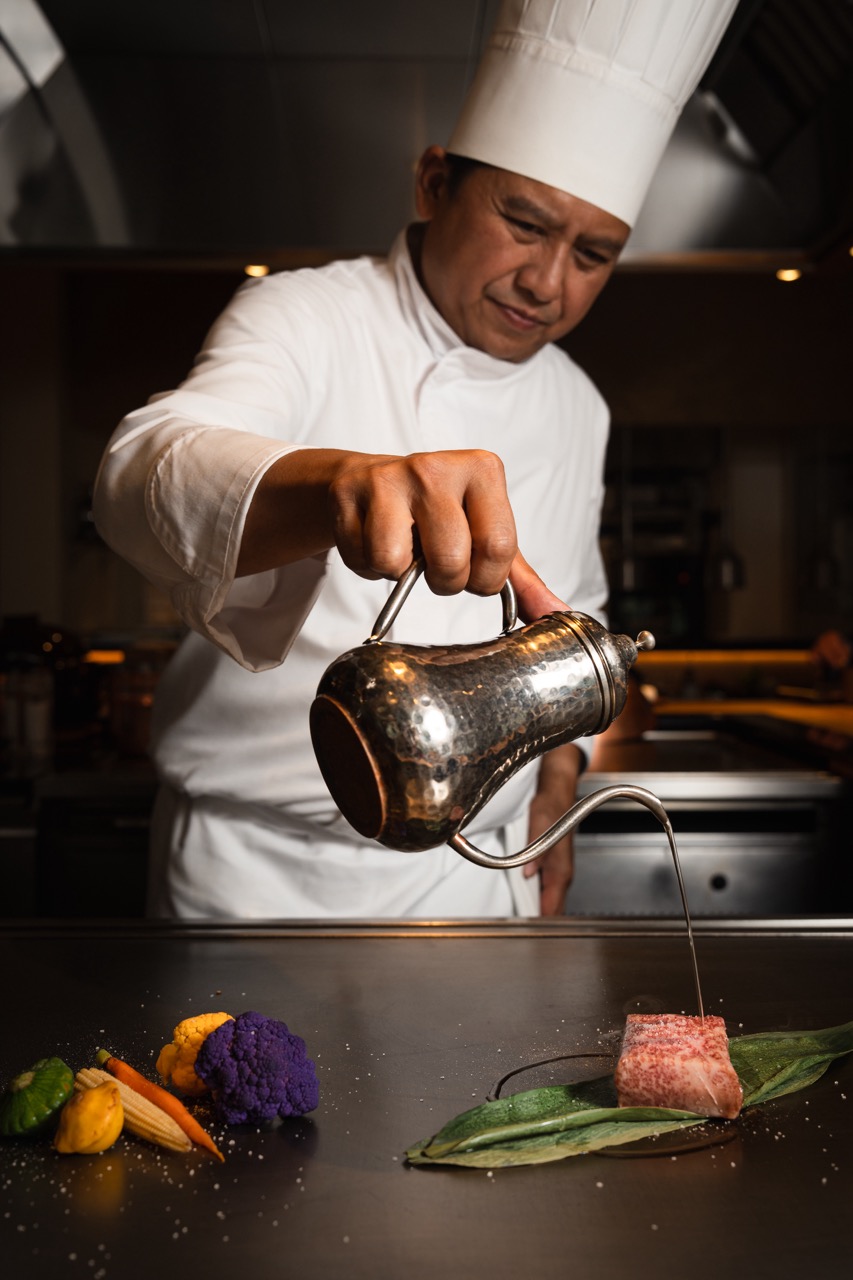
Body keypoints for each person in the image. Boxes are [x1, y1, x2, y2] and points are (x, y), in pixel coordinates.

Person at [92, 0, 737, 920]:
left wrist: (559, 776)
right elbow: (141, 475)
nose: (546, 284)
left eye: (593, 255)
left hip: (472, 879)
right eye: (524, 223)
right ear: (434, 183)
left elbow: (572, 610)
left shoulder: (576, 403)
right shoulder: (306, 317)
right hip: (260, 878)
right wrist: (342, 488)